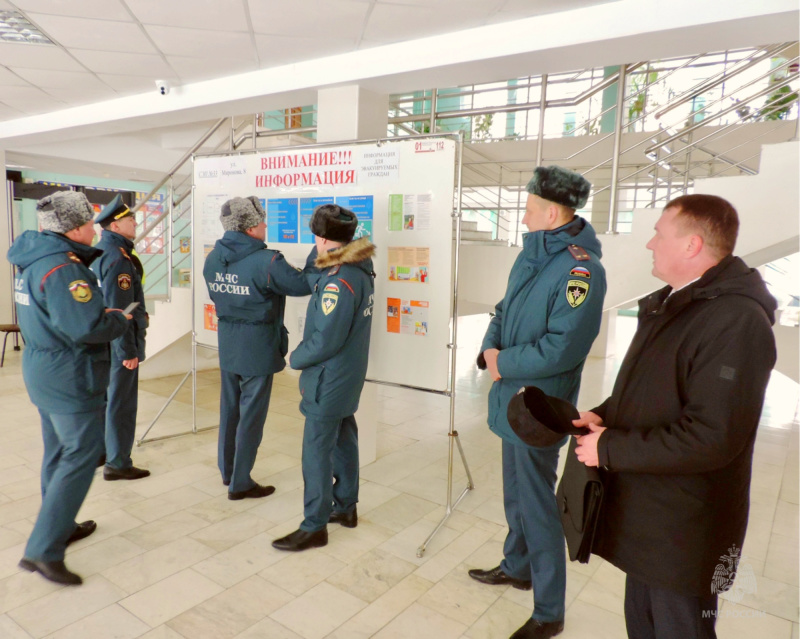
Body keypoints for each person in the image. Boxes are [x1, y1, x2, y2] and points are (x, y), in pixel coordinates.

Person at [574, 194, 777, 639]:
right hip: (651, 519)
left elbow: (711, 436)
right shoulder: (678, 303)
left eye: (659, 234)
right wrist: (602, 415)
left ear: (691, 246)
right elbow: (655, 390)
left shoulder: (735, 321)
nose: (650, 244)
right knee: (643, 626)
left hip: (685, 533)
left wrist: (608, 447)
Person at [468, 165, 607, 639]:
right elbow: (504, 308)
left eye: (528, 210)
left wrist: (504, 362)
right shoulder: (532, 254)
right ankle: (517, 566)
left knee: (537, 504)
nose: (523, 218)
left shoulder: (580, 270)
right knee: (516, 495)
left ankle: (549, 611)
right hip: (511, 397)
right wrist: (490, 351)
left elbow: (562, 349)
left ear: (551, 213)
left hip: (538, 407)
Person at [7, 191, 130, 585]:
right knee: (82, 451)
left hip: (43, 367)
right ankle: (43, 549)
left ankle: (59, 525)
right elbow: (86, 327)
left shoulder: (34, 258)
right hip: (68, 372)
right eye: (90, 223)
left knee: (58, 450)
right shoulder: (63, 268)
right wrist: (117, 320)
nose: (95, 228)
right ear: (74, 229)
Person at [272, 205, 375, 552]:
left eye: (316, 235)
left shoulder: (339, 281)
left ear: (323, 237)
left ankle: (314, 525)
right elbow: (311, 276)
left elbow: (326, 339)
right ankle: (346, 507)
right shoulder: (357, 267)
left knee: (316, 450)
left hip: (329, 377)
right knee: (345, 437)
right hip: (346, 375)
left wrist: (296, 358)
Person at [203, 196, 310, 500]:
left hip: (229, 344)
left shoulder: (214, 257)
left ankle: (228, 471)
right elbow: (301, 285)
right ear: (250, 228)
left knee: (230, 412)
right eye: (262, 221)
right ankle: (241, 483)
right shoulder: (267, 261)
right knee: (251, 418)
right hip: (259, 347)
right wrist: (318, 256)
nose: (266, 226)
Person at [91, 194, 150, 481]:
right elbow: (122, 310)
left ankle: (104, 452)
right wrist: (128, 350)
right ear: (115, 226)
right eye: (129, 219)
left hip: (103, 341)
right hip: (120, 343)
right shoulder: (118, 259)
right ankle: (118, 462)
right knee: (121, 403)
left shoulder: (101, 251)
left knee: (108, 399)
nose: (135, 222)